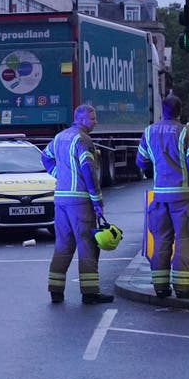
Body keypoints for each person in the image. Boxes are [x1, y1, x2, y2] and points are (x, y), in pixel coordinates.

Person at [137, 95, 189, 299]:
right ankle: (182, 286)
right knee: (185, 241)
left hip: (160, 197)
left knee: (161, 240)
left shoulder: (149, 132)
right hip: (184, 197)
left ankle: (160, 286)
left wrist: (154, 173)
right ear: (180, 111)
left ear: (163, 110)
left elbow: (141, 161)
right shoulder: (186, 132)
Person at [42, 104, 111, 304]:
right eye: (92, 118)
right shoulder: (84, 140)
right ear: (81, 120)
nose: (95, 122)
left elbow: (45, 157)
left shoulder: (60, 137)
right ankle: (90, 293)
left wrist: (60, 176)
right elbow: (89, 171)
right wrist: (97, 201)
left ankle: (56, 291)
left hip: (61, 198)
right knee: (87, 244)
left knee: (63, 244)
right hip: (79, 200)